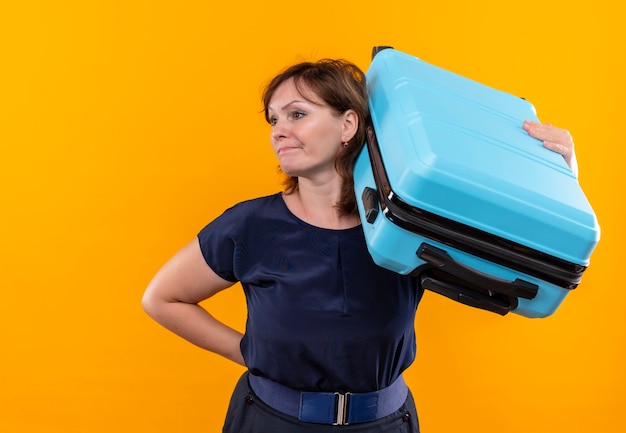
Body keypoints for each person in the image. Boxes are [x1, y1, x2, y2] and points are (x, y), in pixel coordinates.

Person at [142, 57, 578, 432]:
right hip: (270, 421)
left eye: (296, 114)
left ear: (348, 123)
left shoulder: (407, 221)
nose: (278, 130)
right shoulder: (250, 225)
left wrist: (559, 176)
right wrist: (247, 351)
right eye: (273, 119)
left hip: (385, 424)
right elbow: (162, 298)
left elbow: (518, 258)